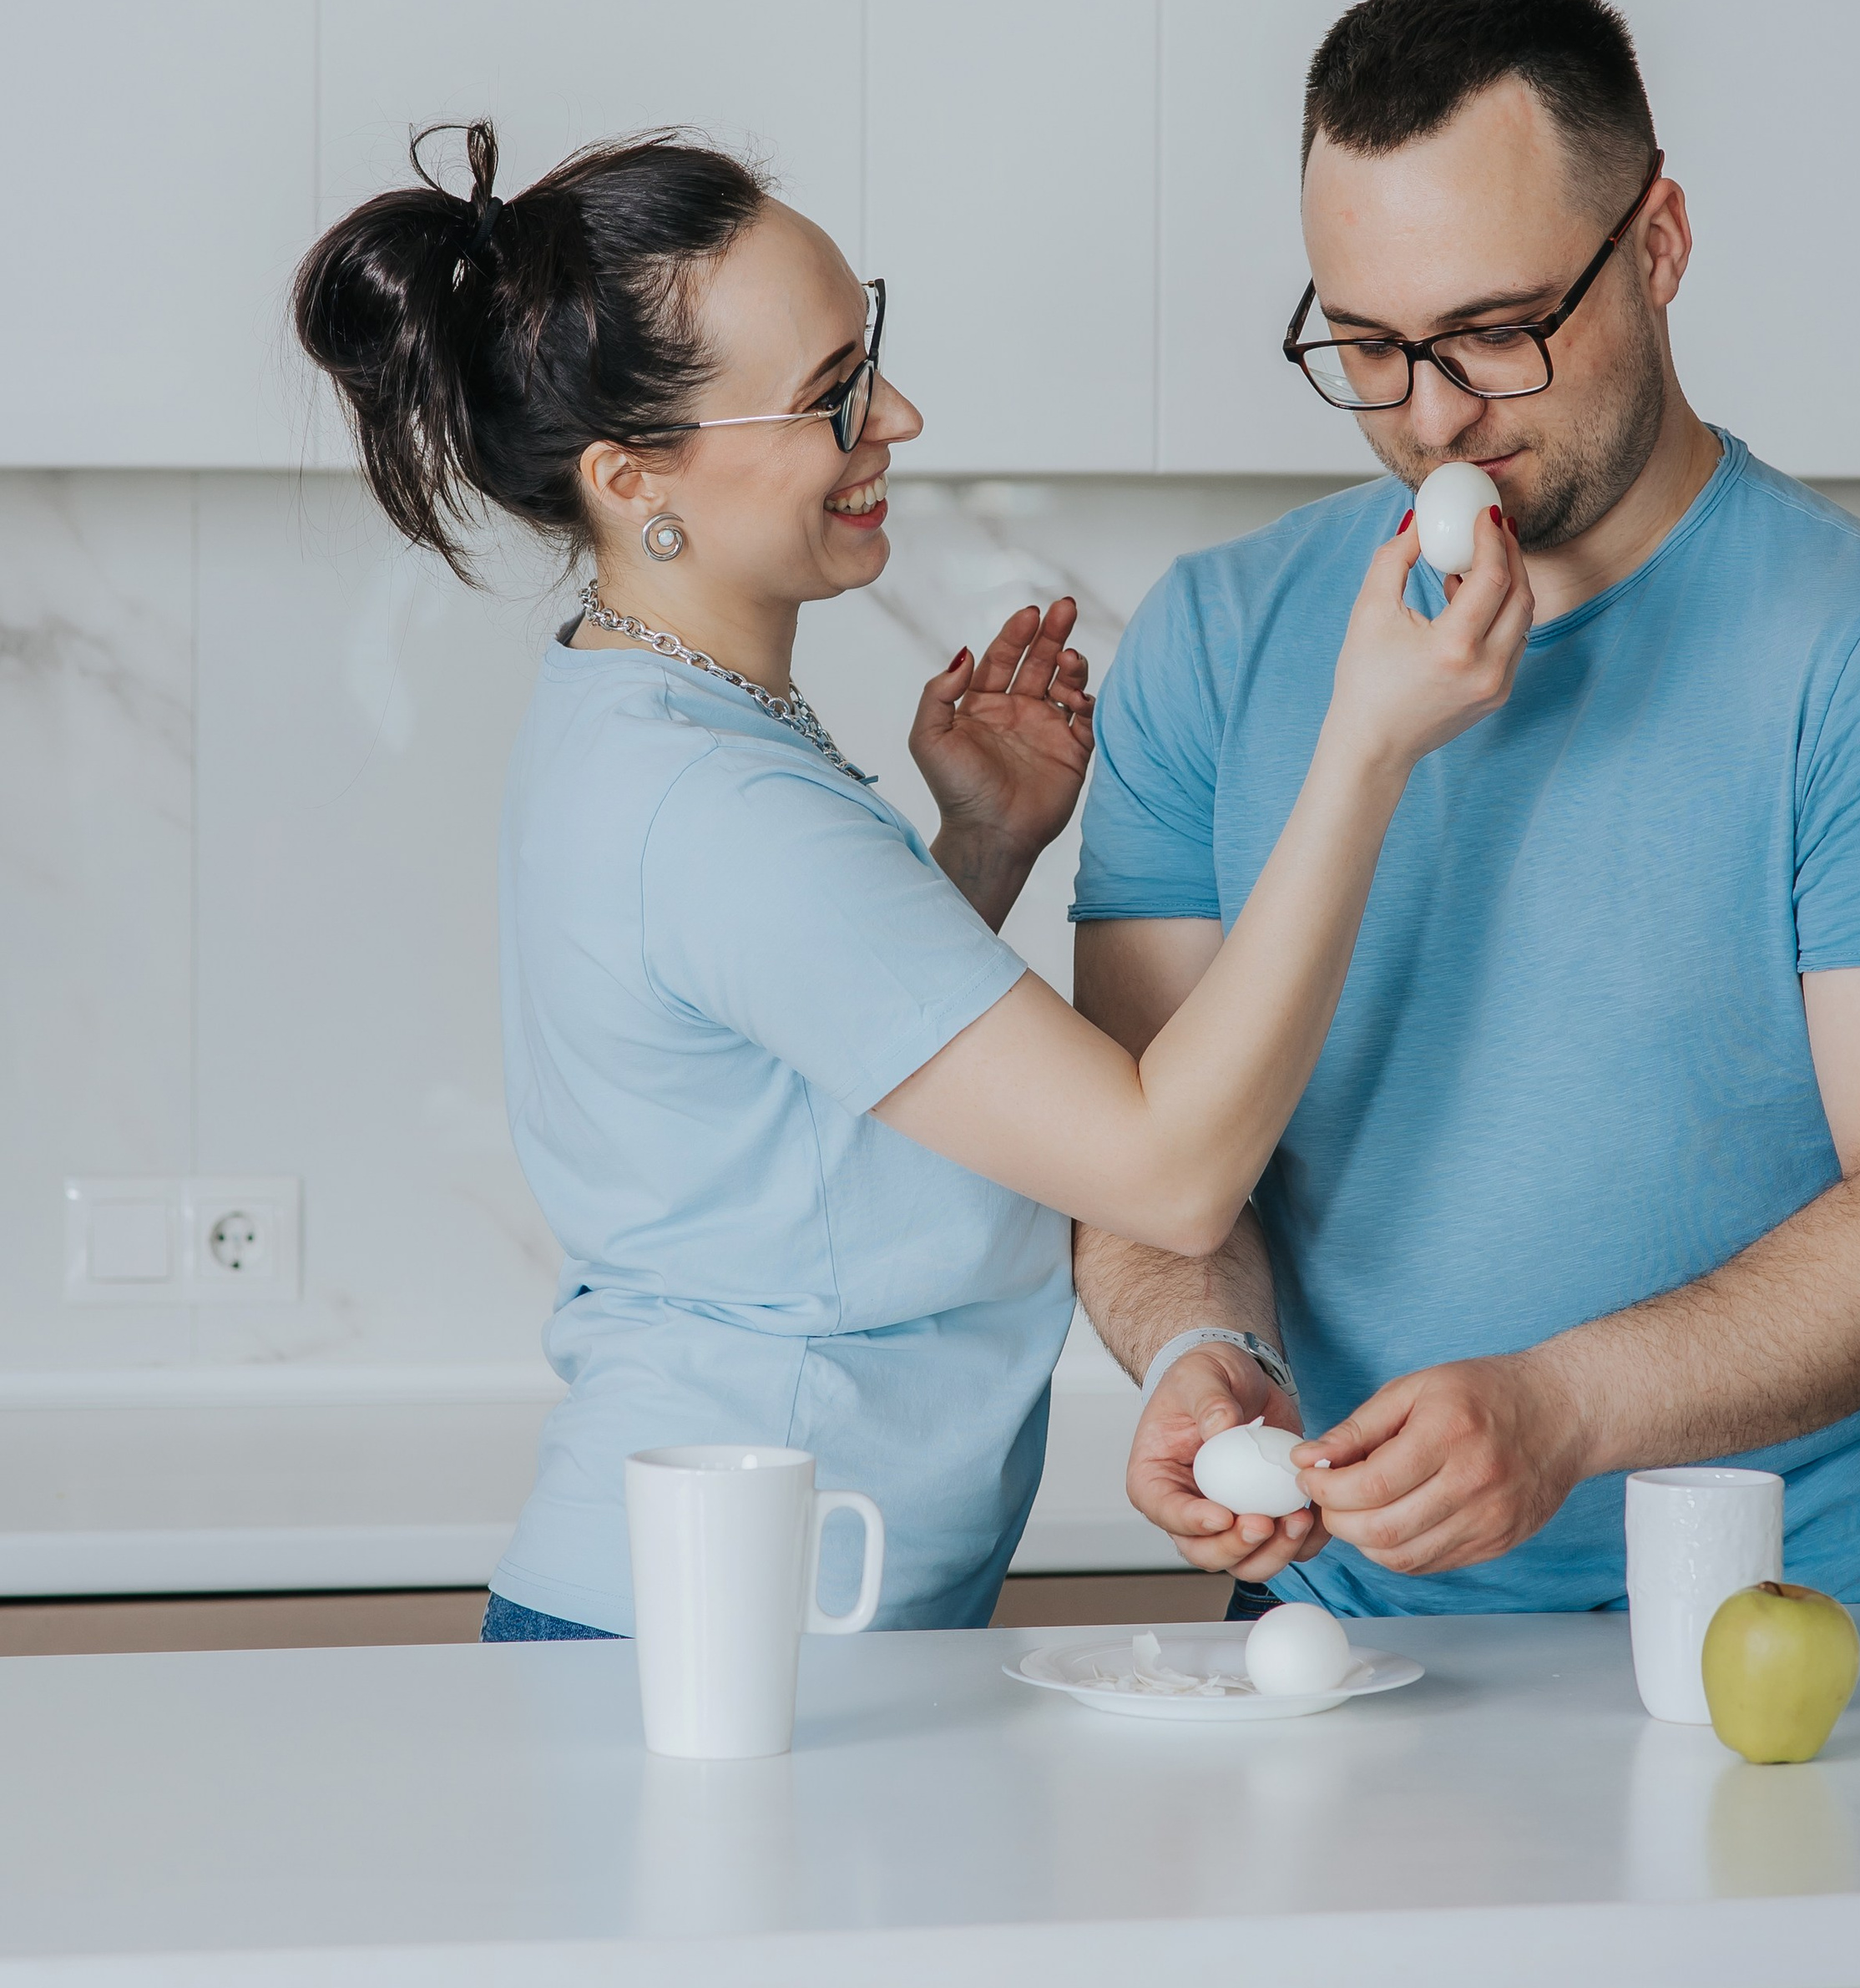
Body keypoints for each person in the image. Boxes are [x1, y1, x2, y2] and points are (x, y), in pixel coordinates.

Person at [291, 118, 1531, 1636]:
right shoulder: (713, 800)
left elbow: (805, 1109)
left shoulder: (661, 721)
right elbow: (1170, 1168)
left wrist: (982, 848)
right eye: (832, 398)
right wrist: (1368, 746)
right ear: (636, 476)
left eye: (867, 358)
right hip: (725, 1637)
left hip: (757, 1611)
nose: (901, 415)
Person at [1071, 0, 1860, 1617]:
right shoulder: (1214, 641)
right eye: (1367, 346)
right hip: (1338, 1637)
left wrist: (1564, 1409)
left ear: (1658, 242)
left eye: (1494, 332)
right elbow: (1146, 1155)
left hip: (1800, 1637)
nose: (1434, 417)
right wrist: (1198, 1346)